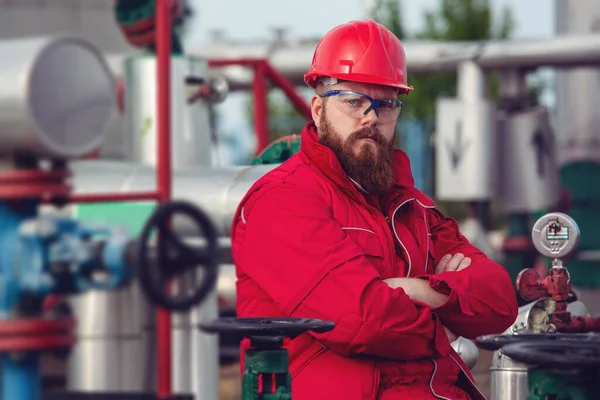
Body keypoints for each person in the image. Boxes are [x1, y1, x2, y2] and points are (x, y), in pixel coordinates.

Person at [231, 19, 518, 400]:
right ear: (318, 109)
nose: (371, 117)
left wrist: (424, 291)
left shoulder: (410, 205)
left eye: (386, 104)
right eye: (353, 101)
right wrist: (447, 326)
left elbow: (499, 300)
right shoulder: (283, 200)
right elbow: (362, 321)